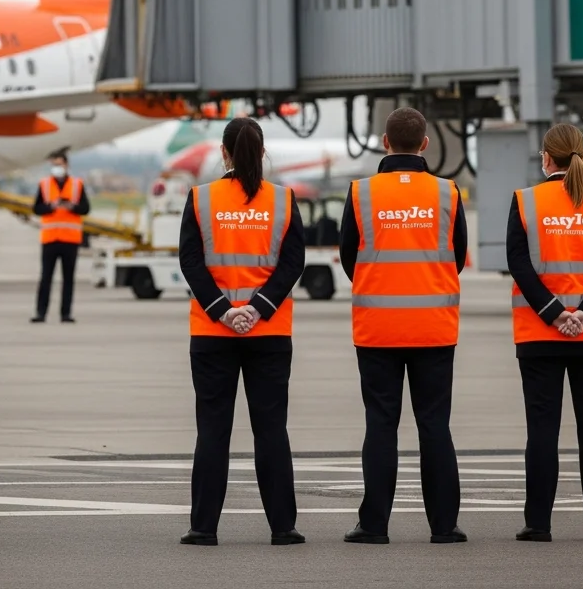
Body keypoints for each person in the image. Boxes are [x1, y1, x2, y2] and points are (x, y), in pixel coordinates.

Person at [338, 106, 468, 546]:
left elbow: (349, 258)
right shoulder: (448, 193)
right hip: (434, 325)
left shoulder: (361, 192)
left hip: (378, 327)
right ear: (425, 144)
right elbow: (459, 255)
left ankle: (374, 525)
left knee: (381, 425)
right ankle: (444, 526)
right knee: (435, 425)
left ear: (384, 142)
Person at [177, 116, 306, 547]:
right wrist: (258, 308)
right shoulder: (284, 201)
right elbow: (292, 264)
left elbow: (191, 263)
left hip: (213, 333)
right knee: (271, 430)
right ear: (263, 152)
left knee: (213, 430)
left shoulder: (200, 198)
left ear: (224, 153)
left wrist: (223, 311)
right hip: (269, 332)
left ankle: (203, 527)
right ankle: (283, 527)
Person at [507, 122, 583, 543]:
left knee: (542, 429)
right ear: (582, 155)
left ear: (546, 158)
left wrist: (554, 313)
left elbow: (519, 265)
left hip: (539, 334)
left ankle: (538, 523)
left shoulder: (525, 202)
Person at [31, 149, 90, 323]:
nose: (57, 168)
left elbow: (86, 208)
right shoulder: (44, 184)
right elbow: (36, 208)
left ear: (66, 165)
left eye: (59, 165)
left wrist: (73, 206)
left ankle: (66, 314)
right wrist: (51, 206)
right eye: (54, 165)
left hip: (70, 240)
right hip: (50, 239)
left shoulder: (77, 184)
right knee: (46, 278)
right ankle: (41, 313)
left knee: (68, 280)